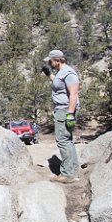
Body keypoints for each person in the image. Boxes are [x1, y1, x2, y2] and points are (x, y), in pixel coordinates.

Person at [44, 49, 80, 182]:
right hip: (63, 109)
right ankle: (72, 171)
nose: (49, 63)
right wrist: (49, 74)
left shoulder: (69, 73)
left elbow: (74, 94)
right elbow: (59, 84)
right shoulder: (61, 73)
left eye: (50, 61)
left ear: (58, 60)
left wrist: (70, 114)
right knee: (68, 140)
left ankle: (67, 174)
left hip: (65, 110)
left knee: (63, 140)